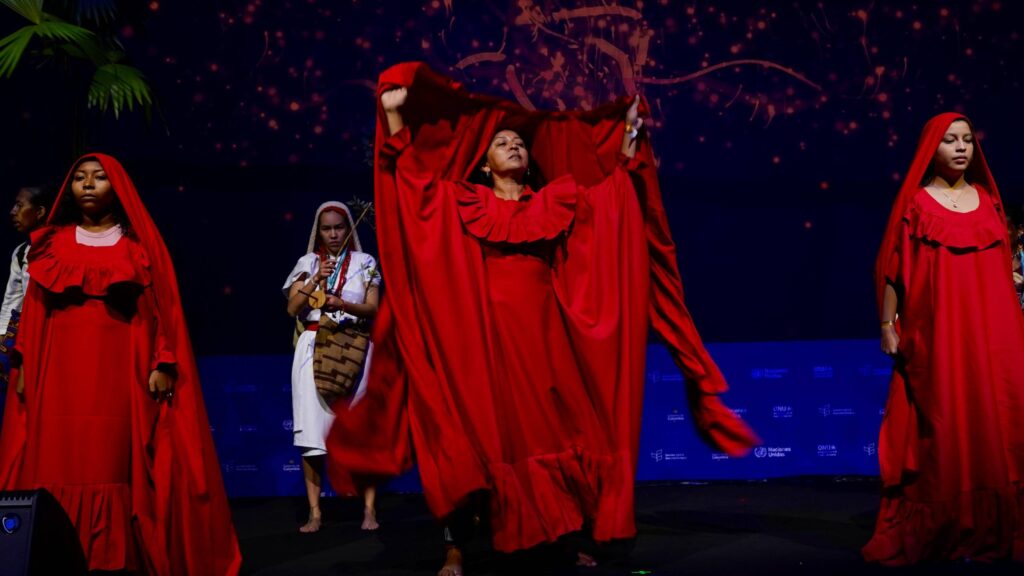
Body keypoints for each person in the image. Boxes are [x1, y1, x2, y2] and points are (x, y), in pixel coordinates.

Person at [324, 63, 759, 575]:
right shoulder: (466, 200)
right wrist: (395, 119)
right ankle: (456, 546)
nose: (513, 145)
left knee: (559, 434)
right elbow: (415, 188)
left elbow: (610, 205)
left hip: (546, 336)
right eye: (502, 141)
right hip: (485, 341)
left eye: (519, 143)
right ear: (483, 163)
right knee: (477, 436)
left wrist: (628, 145)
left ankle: (565, 534)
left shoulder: (552, 202)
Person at [0, 154, 242, 574]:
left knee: (109, 462)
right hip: (57, 374)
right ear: (69, 188)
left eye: (98, 178)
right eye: (79, 177)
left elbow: (160, 309)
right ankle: (54, 552)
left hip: (117, 376)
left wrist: (163, 362)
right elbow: (33, 311)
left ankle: (109, 560)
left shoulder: (137, 246)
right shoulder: (50, 244)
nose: (87, 184)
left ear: (118, 188)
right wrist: (22, 366)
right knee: (56, 460)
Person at [865, 113, 1024, 564]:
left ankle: (996, 524)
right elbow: (895, 266)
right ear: (930, 148)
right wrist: (886, 325)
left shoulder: (989, 201)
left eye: (968, 140)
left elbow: (1001, 274)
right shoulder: (917, 203)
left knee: (998, 419)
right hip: (939, 334)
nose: (961, 148)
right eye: (950, 140)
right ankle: (947, 525)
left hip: (994, 334)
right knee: (945, 421)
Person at [283, 201, 380, 533]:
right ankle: (315, 512)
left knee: (361, 432)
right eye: (327, 228)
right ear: (318, 231)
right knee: (312, 434)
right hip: (314, 346)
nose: (335, 233)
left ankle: (369, 510)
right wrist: (314, 281)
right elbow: (293, 308)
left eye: (339, 226)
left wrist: (344, 303)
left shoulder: (365, 262)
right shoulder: (307, 262)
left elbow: (373, 309)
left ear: (347, 226)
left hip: (354, 348)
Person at [0, 185, 53, 408]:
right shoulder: (21, 252)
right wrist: (2, 339)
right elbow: (12, 300)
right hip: (24, 337)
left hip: (51, 336)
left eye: (20, 206)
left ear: (40, 212)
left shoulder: (59, 249)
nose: (13, 211)